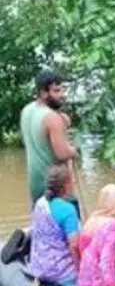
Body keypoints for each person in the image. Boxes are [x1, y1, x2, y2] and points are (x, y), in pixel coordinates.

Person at [21, 70, 78, 207]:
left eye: (62, 90)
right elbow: (62, 153)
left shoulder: (27, 110)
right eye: (56, 91)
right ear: (43, 93)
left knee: (42, 226)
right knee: (70, 226)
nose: (62, 95)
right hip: (57, 189)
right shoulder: (52, 118)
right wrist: (75, 150)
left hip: (36, 186)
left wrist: (62, 121)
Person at [28, 164, 81, 286]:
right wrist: (80, 270)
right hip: (60, 272)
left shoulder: (40, 203)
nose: (74, 181)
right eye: (72, 179)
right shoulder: (68, 210)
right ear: (66, 185)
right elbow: (74, 246)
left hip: (38, 266)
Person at [77, 184, 115, 286]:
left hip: (84, 282)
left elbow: (82, 251)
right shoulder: (112, 226)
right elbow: (106, 262)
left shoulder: (91, 220)